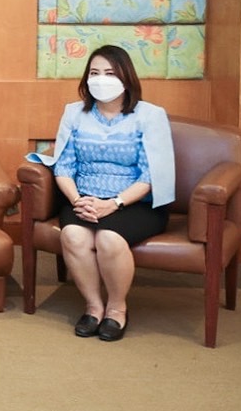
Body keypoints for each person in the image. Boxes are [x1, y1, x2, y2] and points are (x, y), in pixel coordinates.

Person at [40, 44, 174, 342]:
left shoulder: (150, 116)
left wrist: (114, 203)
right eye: (95, 73)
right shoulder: (74, 113)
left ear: (126, 77)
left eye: (110, 73)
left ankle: (116, 308)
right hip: (84, 198)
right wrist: (77, 200)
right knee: (73, 235)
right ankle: (93, 307)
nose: (101, 79)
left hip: (135, 202)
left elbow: (151, 176)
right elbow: (64, 167)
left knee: (108, 238)